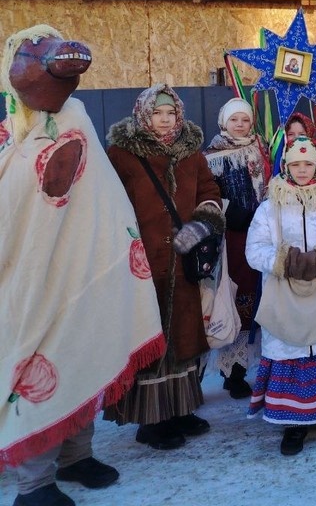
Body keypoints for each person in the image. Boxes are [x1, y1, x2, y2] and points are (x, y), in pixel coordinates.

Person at [1, 26, 164, 506]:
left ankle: (76, 456)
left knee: (82, 354)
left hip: (81, 267)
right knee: (34, 367)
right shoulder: (10, 127)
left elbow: (99, 195)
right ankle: (34, 482)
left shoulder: (76, 119)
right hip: (26, 279)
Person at [105, 84, 225, 449]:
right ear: (144, 114)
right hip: (142, 265)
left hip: (182, 262)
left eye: (170, 113)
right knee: (150, 336)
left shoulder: (191, 151)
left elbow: (210, 191)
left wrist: (200, 226)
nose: (164, 119)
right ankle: (152, 421)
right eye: (158, 113)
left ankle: (181, 409)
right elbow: (109, 205)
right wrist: (130, 244)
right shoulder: (122, 154)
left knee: (185, 337)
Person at [245, 137, 316, 455]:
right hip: (285, 295)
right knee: (291, 354)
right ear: (286, 166)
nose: (303, 170)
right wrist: (285, 262)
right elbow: (255, 250)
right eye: (296, 164)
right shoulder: (270, 207)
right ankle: (293, 426)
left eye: (308, 164)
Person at [204, 97, 271, 399]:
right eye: (235, 120)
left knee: (262, 297)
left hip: (266, 232)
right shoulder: (212, 156)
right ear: (224, 122)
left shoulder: (264, 149)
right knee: (238, 298)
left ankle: (266, 366)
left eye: (245, 119)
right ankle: (234, 372)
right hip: (235, 234)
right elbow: (208, 194)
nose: (241, 125)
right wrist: (237, 215)